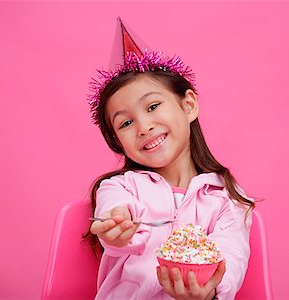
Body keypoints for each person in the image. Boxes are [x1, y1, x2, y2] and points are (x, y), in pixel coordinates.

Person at [86, 18, 255, 300]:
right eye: (125, 123)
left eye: (153, 106)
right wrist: (117, 226)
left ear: (188, 105)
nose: (143, 127)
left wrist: (209, 288)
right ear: (118, 141)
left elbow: (232, 253)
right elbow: (116, 210)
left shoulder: (227, 198)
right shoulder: (120, 188)